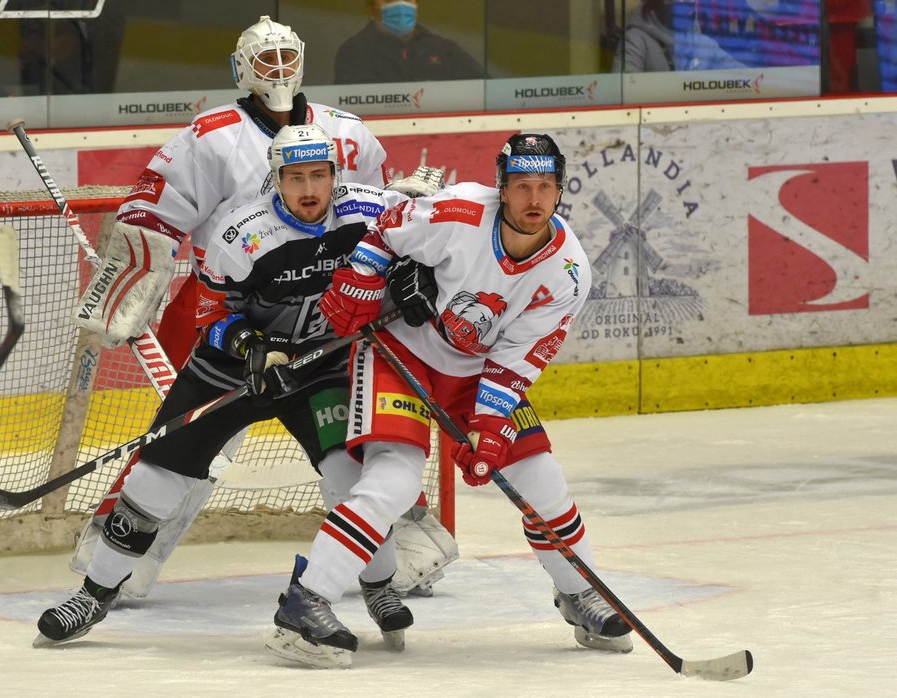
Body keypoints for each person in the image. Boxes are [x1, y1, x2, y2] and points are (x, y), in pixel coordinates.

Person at [67, 14, 458, 602]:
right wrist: (136, 268)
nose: (276, 70)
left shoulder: (348, 130)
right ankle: (125, 553)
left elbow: (381, 222)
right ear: (241, 68)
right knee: (189, 431)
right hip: (232, 303)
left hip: (332, 308)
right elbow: (152, 213)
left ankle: (397, 540)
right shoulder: (211, 134)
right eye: (263, 60)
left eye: (285, 57)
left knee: (359, 431)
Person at [36, 124, 449, 648]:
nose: (308, 190)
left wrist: (422, 269)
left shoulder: (370, 211)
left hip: (319, 367)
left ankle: (379, 587)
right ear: (275, 179)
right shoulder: (242, 234)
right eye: (295, 177)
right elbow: (212, 312)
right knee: (153, 483)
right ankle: (94, 595)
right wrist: (250, 345)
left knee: (353, 478)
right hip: (230, 370)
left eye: (319, 176)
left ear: (335, 177)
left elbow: (437, 228)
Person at [268, 133, 635, 668]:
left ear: (559, 191)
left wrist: (490, 425)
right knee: (394, 478)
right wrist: (364, 278)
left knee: (541, 478)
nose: (534, 200)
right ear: (502, 189)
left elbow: (514, 361)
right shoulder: (459, 210)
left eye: (546, 187)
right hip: (403, 353)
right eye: (522, 187)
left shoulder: (569, 273)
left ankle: (579, 592)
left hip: (477, 373)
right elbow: (386, 231)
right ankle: (305, 602)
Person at [334, 0, 484, 84]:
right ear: (371, 9)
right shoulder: (353, 52)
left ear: (416, 7)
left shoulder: (443, 49)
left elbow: (483, 89)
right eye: (389, 0)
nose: (400, 5)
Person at [613, 0, 746, 72]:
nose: (685, 4)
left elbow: (746, 79)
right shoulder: (636, 40)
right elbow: (623, 95)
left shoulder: (702, 43)